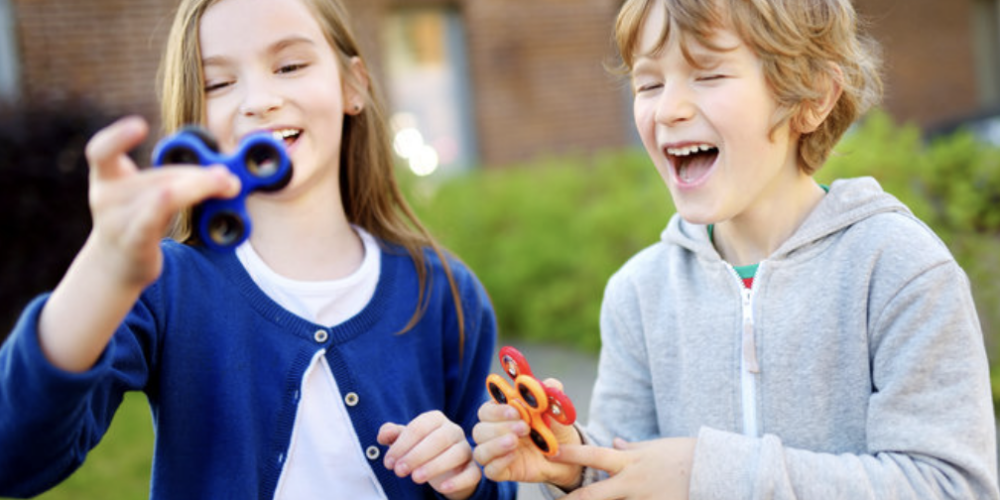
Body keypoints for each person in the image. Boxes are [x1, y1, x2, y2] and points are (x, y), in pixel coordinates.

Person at [472, 0, 1000, 498]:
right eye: (649, 83)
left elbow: (951, 485)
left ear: (813, 97)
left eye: (709, 75)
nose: (669, 109)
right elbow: (636, 472)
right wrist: (576, 468)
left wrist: (709, 474)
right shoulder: (639, 293)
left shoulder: (898, 270)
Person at [0, 0, 515, 498]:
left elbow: (499, 478)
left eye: (289, 65)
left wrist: (467, 477)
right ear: (195, 120)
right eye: (219, 82)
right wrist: (104, 268)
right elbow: (15, 455)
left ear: (353, 84)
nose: (259, 99)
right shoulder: (167, 286)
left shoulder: (444, 291)